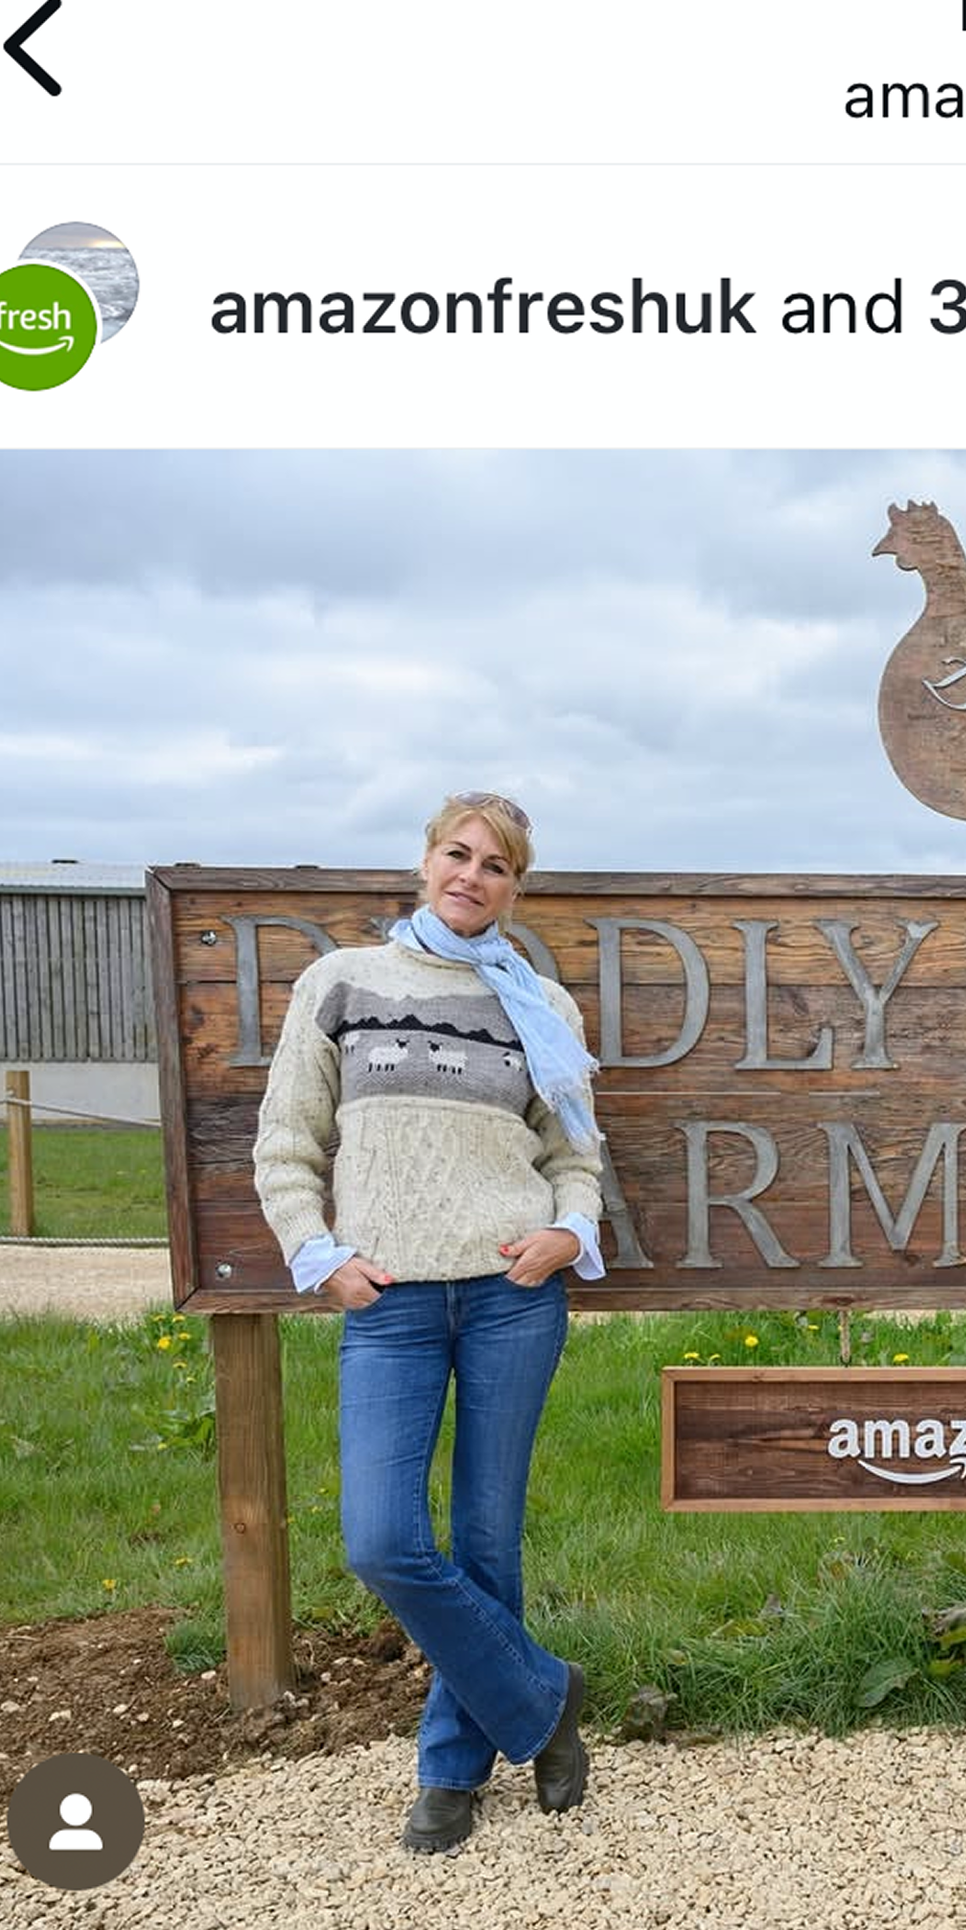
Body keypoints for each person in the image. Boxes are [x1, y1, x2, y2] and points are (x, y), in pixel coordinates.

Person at [253, 791, 608, 1857]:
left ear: (516, 886)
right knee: (382, 1539)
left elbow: (574, 1154)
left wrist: (567, 1230)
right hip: (393, 1303)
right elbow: (286, 1139)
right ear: (423, 863)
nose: (472, 875)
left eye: (496, 865)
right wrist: (317, 1255)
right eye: (457, 854)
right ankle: (545, 1698)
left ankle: (449, 1771)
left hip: (511, 1293)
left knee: (487, 1541)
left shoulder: (540, 1003)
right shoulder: (342, 983)